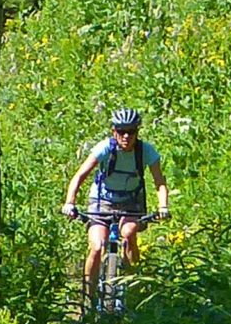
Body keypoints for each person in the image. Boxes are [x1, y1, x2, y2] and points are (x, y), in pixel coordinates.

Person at [62, 108, 170, 293]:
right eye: (121, 131)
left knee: (128, 233)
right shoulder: (105, 148)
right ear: (114, 131)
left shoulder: (145, 151)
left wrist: (163, 206)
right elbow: (79, 176)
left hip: (131, 201)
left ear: (137, 132)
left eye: (131, 131)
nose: (126, 136)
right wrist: (69, 202)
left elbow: (160, 182)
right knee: (97, 246)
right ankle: (88, 297)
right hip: (102, 201)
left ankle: (131, 285)